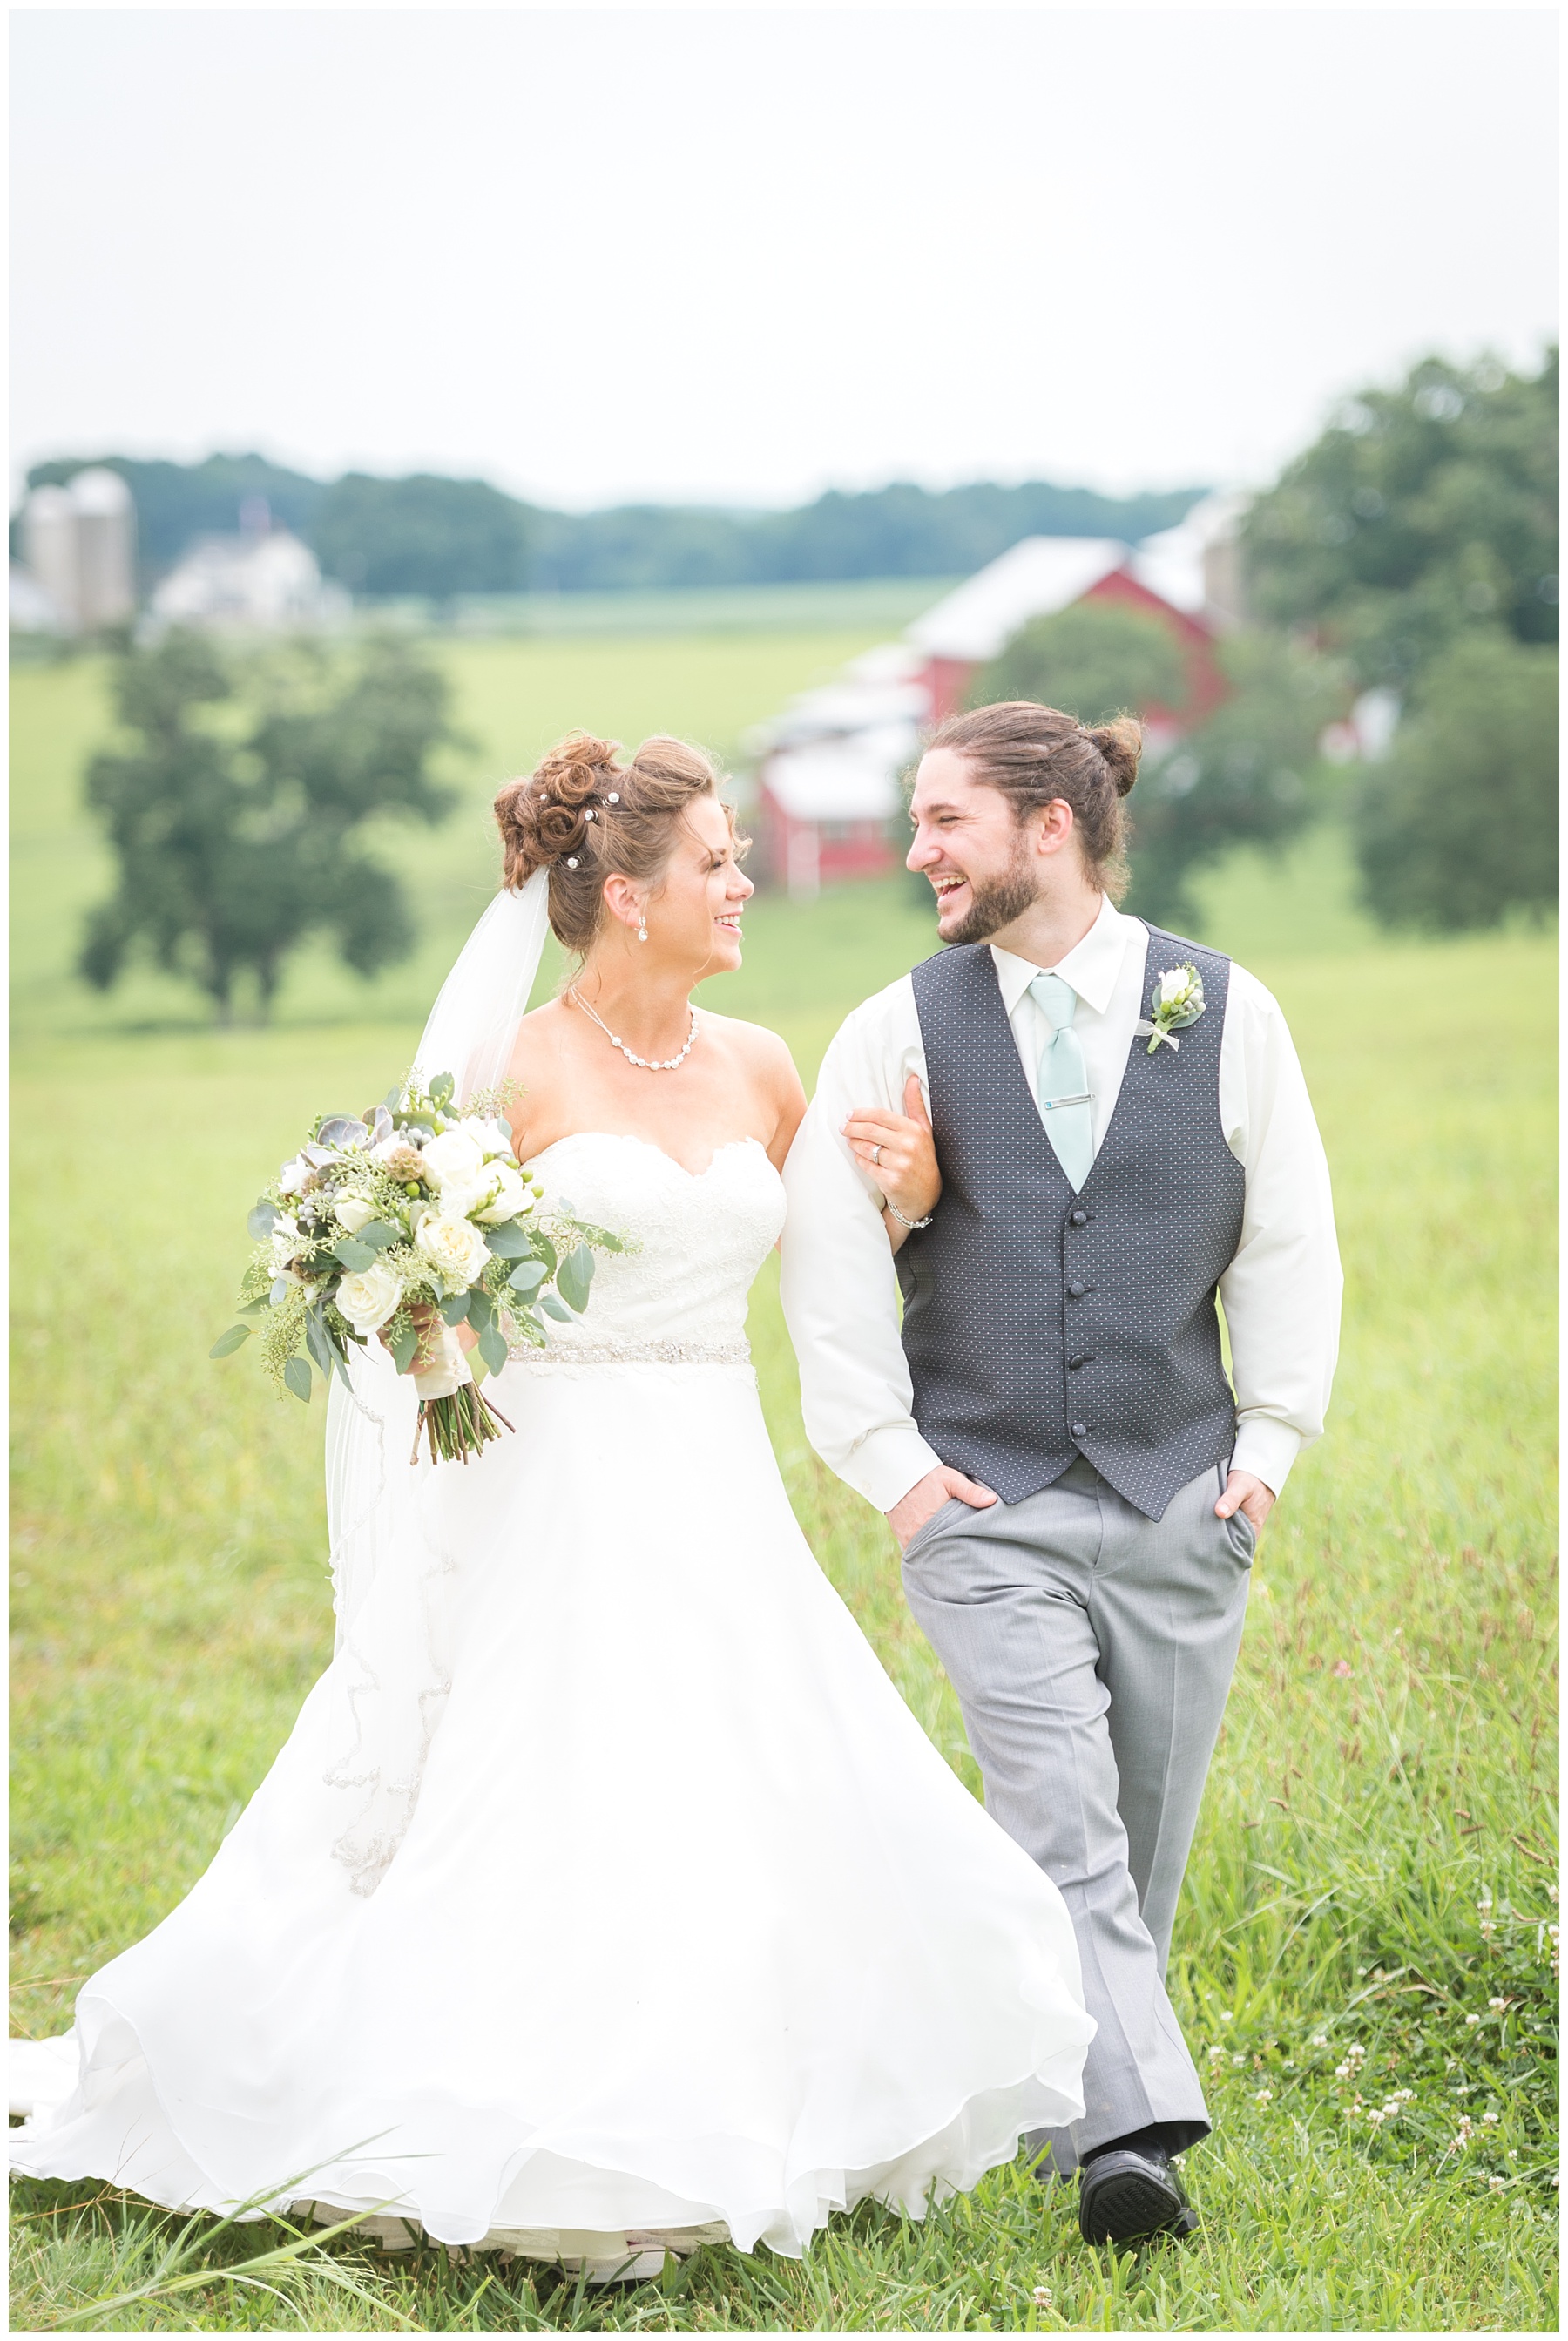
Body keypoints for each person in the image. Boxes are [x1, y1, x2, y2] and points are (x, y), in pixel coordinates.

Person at [10, 730, 1093, 2282]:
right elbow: (403, 1275)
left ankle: (720, 2106)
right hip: (548, 1493)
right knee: (564, 1793)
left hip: (716, 1490)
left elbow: (841, 1272)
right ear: (627, 895)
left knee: (736, 1794)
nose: (743, 882)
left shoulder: (763, 1068)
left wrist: (910, 1196)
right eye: (715, 860)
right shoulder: (511, 1070)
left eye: (738, 855)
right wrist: (425, 1328)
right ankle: (536, 2133)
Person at [780, 700, 1342, 2247]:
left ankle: (1067, 2111)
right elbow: (830, 1266)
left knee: (1134, 1846)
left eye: (943, 820)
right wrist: (897, 1475)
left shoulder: (1227, 1010)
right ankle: (1134, 2153)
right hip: (986, 1500)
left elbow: (1288, 1239)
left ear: (1049, 825)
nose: (915, 851)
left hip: (1182, 1492)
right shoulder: (893, 1029)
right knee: (1061, 1819)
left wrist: (1267, 1453)